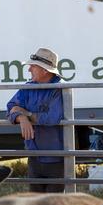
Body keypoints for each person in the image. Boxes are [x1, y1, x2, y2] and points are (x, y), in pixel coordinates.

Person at [7, 47, 65, 193]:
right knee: (35, 203)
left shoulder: (60, 88)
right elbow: (11, 108)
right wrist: (22, 118)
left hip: (56, 157)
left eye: (32, 66)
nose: (29, 70)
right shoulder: (29, 87)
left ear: (45, 70)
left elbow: (52, 118)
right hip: (34, 155)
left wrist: (25, 113)